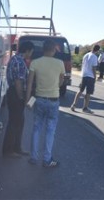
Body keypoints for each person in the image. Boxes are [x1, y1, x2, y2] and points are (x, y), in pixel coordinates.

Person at [25, 40, 65, 168]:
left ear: (43, 49)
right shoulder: (60, 63)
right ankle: (47, 159)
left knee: (36, 128)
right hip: (53, 100)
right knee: (50, 130)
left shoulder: (35, 62)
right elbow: (61, 81)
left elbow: (30, 83)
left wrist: (27, 100)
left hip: (39, 99)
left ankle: (33, 157)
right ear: (53, 50)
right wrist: (54, 87)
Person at [3, 41, 34, 158]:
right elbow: (18, 82)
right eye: (31, 52)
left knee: (19, 122)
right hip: (16, 94)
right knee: (14, 123)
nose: (31, 54)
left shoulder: (14, 59)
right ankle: (9, 151)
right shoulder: (20, 62)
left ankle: (17, 148)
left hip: (12, 93)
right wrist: (21, 97)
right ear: (27, 50)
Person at [71, 44, 100, 113]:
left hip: (84, 75)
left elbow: (83, 65)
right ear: (97, 50)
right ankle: (85, 108)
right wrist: (95, 76)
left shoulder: (86, 55)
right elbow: (93, 68)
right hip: (90, 76)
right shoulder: (94, 57)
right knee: (88, 93)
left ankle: (74, 105)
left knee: (80, 90)